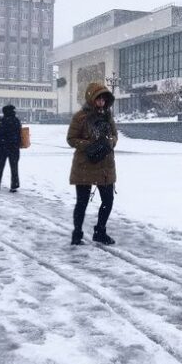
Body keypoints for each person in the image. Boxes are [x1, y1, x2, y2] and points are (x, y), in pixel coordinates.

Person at [67, 82, 118, 245]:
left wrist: (109, 142)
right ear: (92, 99)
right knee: (82, 202)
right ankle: (77, 233)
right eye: (98, 99)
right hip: (85, 165)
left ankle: (100, 231)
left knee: (108, 201)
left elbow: (115, 136)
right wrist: (89, 145)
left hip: (105, 165)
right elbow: (71, 139)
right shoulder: (80, 117)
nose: (101, 102)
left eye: (104, 99)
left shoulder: (108, 117)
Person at [0, 105, 22, 192]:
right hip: (14, 147)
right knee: (14, 167)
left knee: (0, 166)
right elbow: (20, 133)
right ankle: (14, 185)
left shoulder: (1, 121)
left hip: (2, 147)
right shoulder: (16, 121)